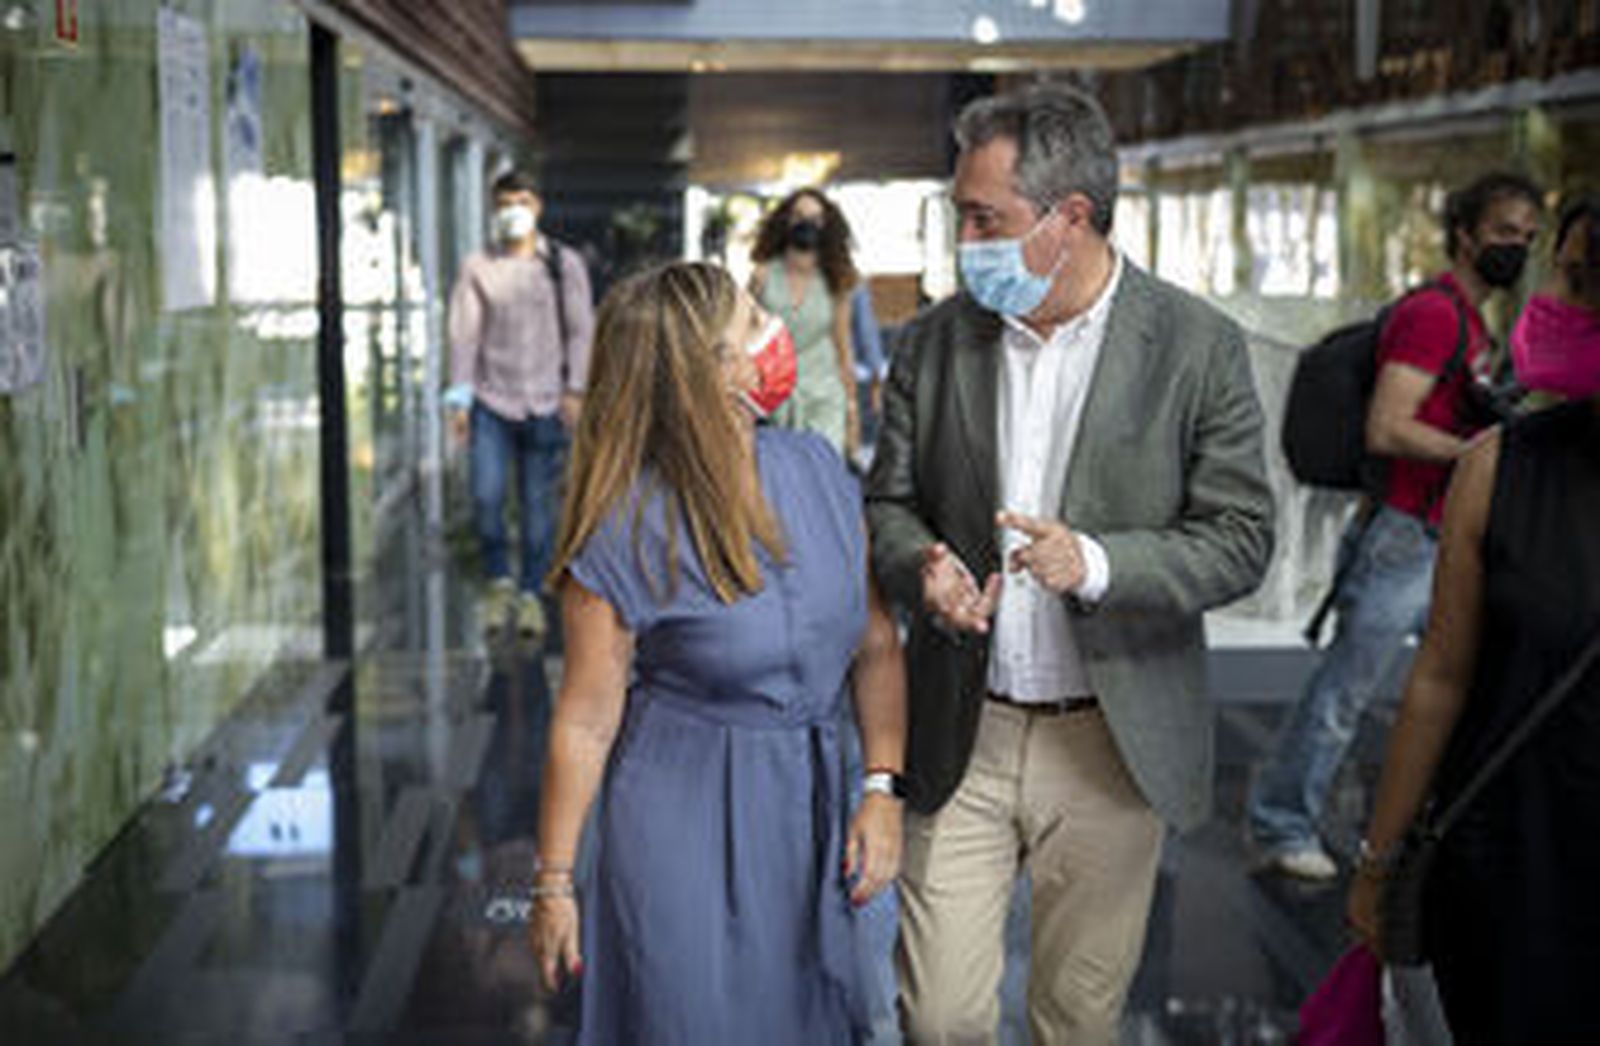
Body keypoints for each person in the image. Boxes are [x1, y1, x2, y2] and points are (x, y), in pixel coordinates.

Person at [865, 83, 1275, 1043]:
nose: (965, 240)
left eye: (985, 218)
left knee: (1077, 1018)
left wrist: (1094, 561)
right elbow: (886, 500)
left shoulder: (1195, 346)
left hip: (1111, 743)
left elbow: (1242, 536)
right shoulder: (934, 340)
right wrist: (922, 564)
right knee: (935, 1018)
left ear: (1070, 218)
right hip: (962, 726)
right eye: (959, 213)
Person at [527, 262, 907, 1044]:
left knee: (810, 1015)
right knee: (689, 1017)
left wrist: (881, 787)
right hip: (679, 810)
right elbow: (586, 724)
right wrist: (556, 884)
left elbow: (874, 644)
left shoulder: (817, 469)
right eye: (750, 324)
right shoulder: (626, 527)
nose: (773, 333)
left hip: (809, 801)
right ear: (708, 372)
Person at [1347, 197, 1600, 1044]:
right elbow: (1441, 678)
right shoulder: (1502, 466)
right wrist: (1381, 864)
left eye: (1568, 276)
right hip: (1512, 866)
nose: (1551, 300)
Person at [1248, 172, 1544, 880]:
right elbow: (1388, 426)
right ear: (1466, 233)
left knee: (1439, 686)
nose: (1517, 249)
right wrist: (1483, 457)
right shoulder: (1435, 315)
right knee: (1345, 692)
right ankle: (1281, 822)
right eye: (1504, 233)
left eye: (1529, 238)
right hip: (1406, 533)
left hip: (1440, 532)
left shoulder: (1475, 321)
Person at [446, 170, 596, 639]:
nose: (515, 209)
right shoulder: (477, 266)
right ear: (494, 208)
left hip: (547, 403)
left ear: (538, 207)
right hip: (492, 402)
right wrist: (459, 397)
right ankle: (499, 582)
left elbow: (581, 329)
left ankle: (530, 592)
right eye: (506, 201)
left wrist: (576, 390)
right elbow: (463, 335)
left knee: (537, 510)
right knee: (486, 499)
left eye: (523, 200)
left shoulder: (562, 264)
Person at [751, 188, 861, 460]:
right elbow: (747, 339)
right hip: (775, 399)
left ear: (826, 226)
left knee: (822, 471)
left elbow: (843, 347)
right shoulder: (763, 276)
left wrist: (851, 411)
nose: (806, 224)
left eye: (815, 218)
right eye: (799, 216)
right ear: (785, 221)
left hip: (824, 397)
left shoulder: (836, 279)